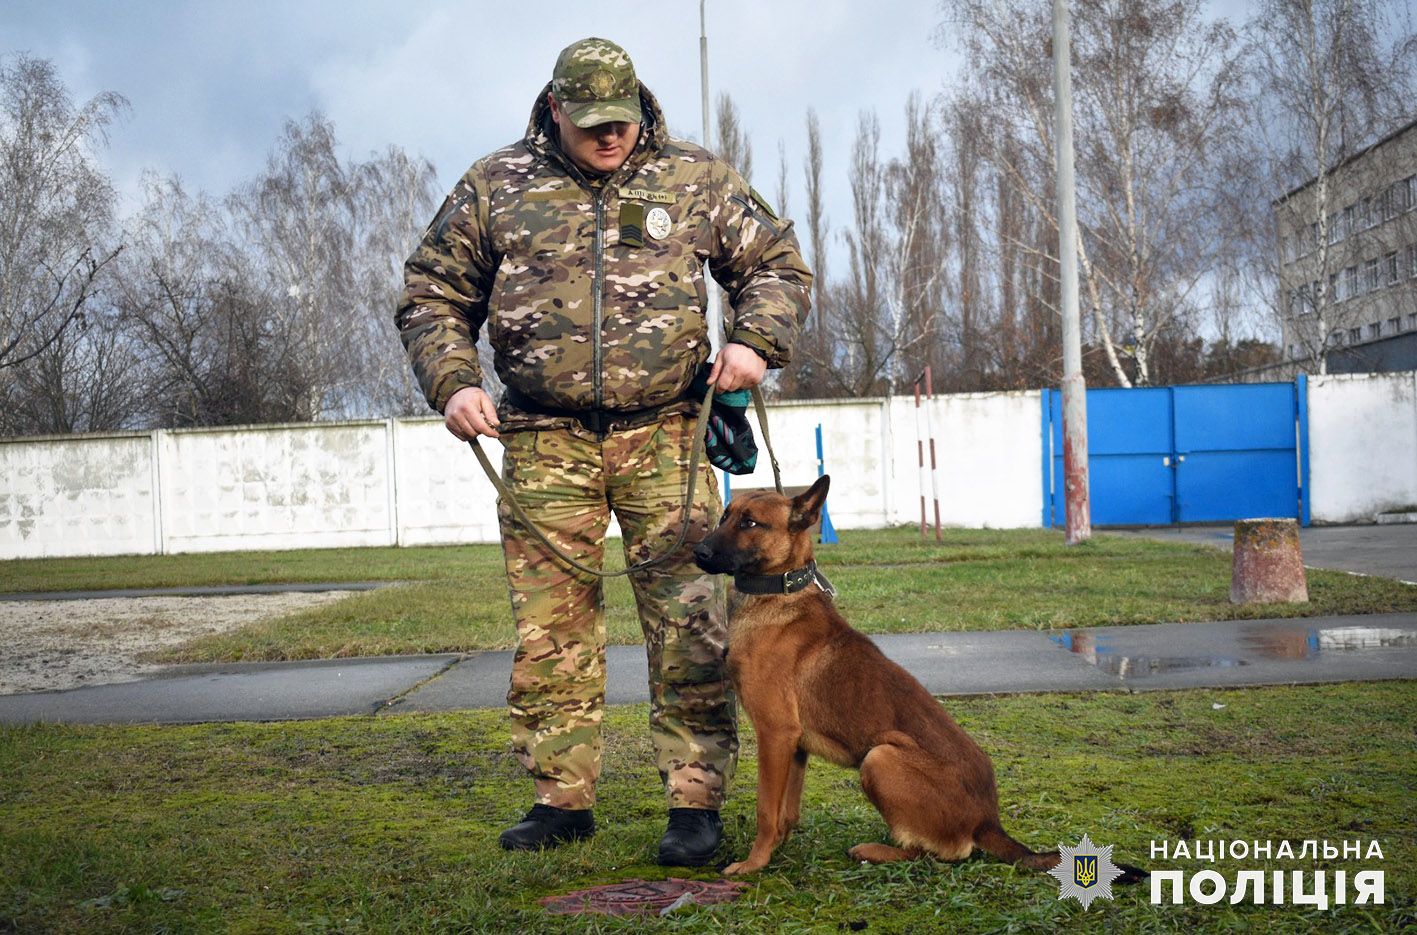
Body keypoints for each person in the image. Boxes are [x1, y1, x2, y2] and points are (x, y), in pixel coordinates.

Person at [394, 36, 811, 866]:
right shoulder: (496, 184)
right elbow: (431, 292)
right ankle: (560, 800)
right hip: (543, 438)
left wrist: (754, 343)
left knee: (690, 624)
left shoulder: (693, 177)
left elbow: (777, 266)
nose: (609, 135)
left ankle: (694, 802)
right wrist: (453, 383)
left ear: (638, 103)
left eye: (620, 119)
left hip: (667, 434)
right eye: (591, 123)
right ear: (556, 109)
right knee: (551, 629)